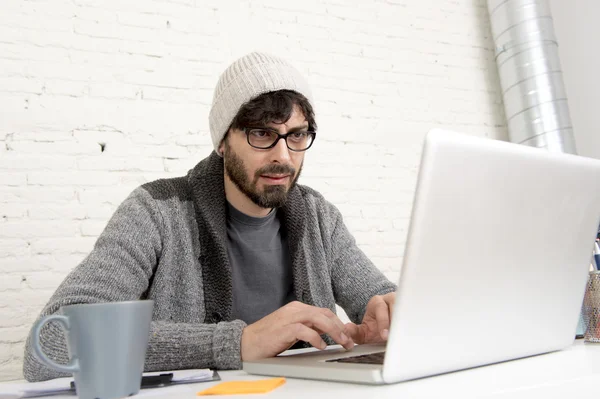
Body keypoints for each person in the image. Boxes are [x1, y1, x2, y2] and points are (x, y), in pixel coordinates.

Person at [23, 52, 397, 382]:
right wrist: (237, 343)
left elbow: (382, 302)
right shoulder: (156, 211)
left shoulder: (318, 217)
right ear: (222, 141)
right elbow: (51, 345)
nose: (283, 156)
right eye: (261, 134)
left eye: (297, 136)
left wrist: (389, 319)